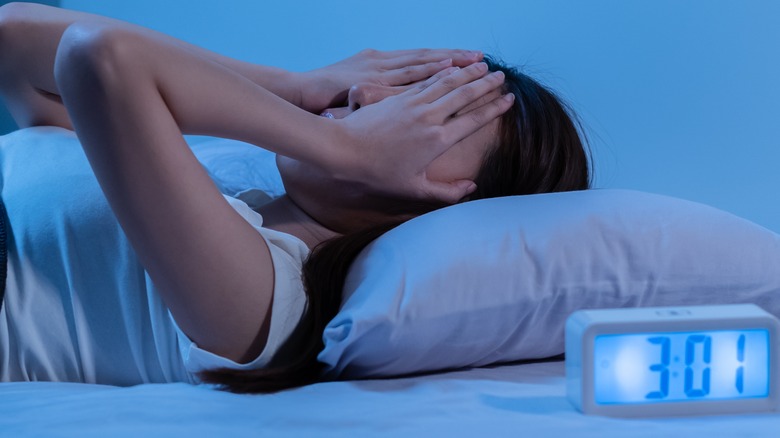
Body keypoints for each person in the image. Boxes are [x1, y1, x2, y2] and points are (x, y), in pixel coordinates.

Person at [0, 3, 590, 393]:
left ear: (455, 205)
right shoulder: (229, 182)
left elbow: (99, 58)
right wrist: (295, 86)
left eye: (431, 114)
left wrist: (339, 144)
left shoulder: (273, 302)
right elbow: (15, 44)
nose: (363, 92)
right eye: (407, 86)